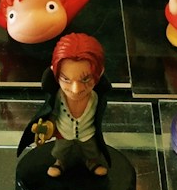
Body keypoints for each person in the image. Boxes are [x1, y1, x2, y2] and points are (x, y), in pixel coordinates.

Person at [25, 34, 113, 180]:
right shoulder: (58, 97)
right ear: (55, 73)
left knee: (91, 149)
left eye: (85, 79)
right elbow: (53, 113)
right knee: (61, 150)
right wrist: (48, 127)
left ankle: (92, 162)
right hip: (64, 131)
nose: (76, 90)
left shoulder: (96, 98)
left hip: (87, 132)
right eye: (66, 79)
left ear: (100, 73)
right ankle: (60, 162)